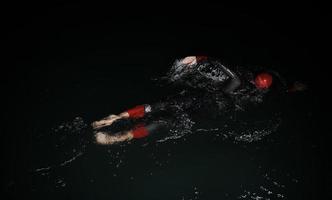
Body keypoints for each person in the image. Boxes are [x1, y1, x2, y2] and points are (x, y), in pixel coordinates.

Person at [92, 56, 306, 145]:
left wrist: (201, 58)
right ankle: (116, 138)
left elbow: (232, 75)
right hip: (206, 109)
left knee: (159, 105)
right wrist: (292, 89)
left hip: (198, 97)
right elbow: (237, 80)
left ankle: (117, 117)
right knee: (164, 121)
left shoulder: (239, 83)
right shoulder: (252, 96)